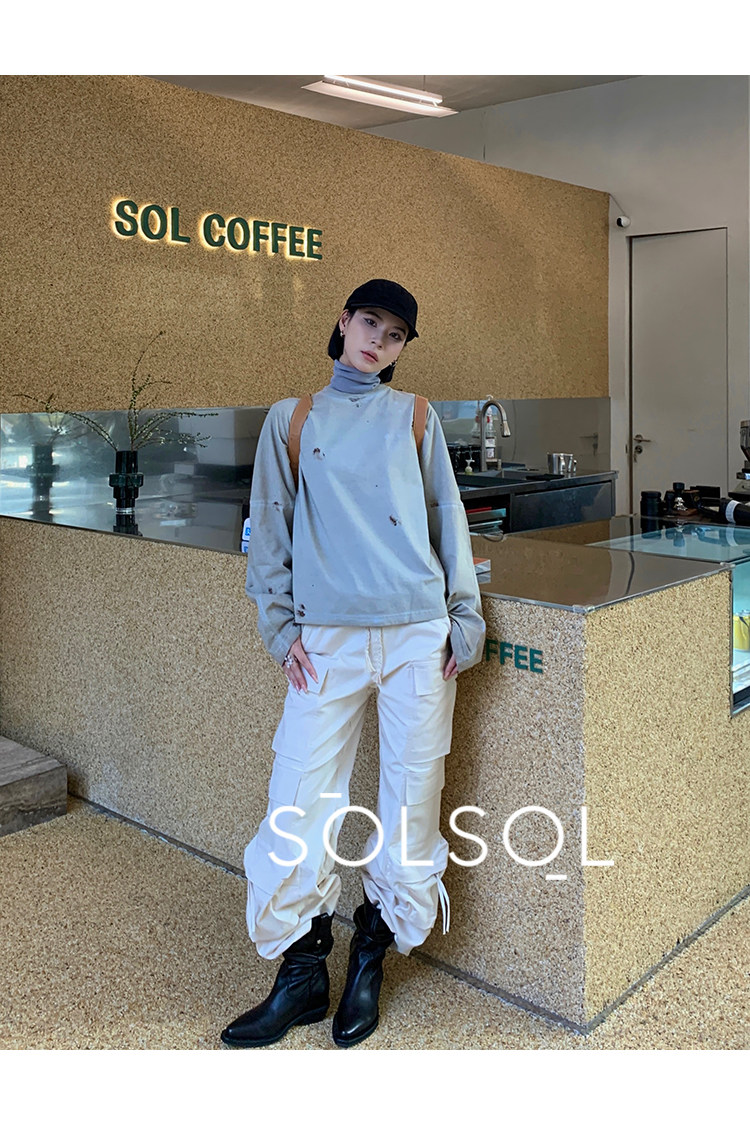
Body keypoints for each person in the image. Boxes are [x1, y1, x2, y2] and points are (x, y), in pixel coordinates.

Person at [221, 279, 485, 1049]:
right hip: (326, 641)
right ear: (343, 322)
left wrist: (464, 618)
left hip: (417, 637)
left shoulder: (416, 416)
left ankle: (370, 953)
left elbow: (447, 516)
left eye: (395, 333)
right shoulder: (292, 419)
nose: (378, 340)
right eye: (370, 322)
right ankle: (302, 971)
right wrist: (279, 628)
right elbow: (270, 527)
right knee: (297, 799)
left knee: (410, 803)